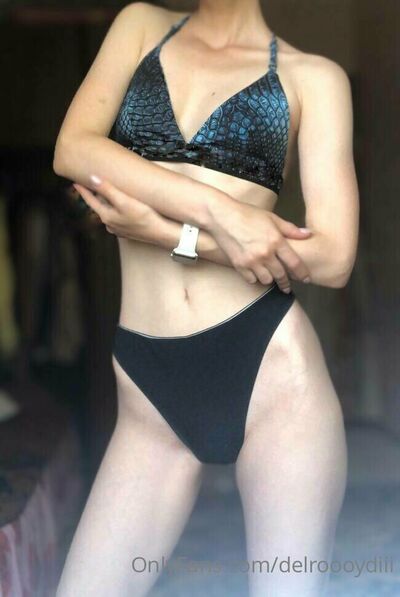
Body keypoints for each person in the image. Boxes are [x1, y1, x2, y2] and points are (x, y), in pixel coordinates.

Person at [53, 1, 359, 595]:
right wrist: (223, 213)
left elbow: (333, 257)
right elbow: (74, 149)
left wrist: (170, 233)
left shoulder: (314, 77)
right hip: (148, 390)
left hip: (272, 374)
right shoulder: (140, 25)